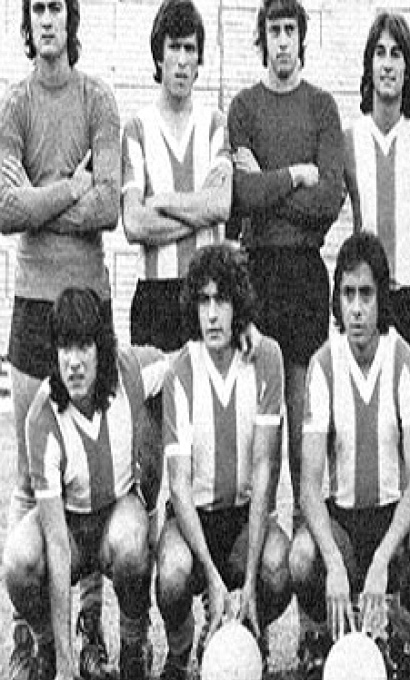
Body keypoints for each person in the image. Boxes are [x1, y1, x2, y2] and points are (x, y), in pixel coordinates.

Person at [0, 0, 121, 680]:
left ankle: (90, 627)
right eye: (37, 7)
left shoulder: (98, 99)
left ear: (71, 20)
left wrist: (42, 200)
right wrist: (69, 187)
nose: (48, 19)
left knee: (93, 471)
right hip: (30, 305)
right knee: (29, 473)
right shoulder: (15, 105)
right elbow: (3, 209)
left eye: (57, 7)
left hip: (88, 302)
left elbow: (108, 205)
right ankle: (31, 640)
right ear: (29, 21)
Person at [2, 287, 169, 680]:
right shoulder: (43, 417)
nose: (73, 361)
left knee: (132, 540)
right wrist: (66, 673)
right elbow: (57, 545)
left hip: (117, 513)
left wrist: (244, 334)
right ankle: (48, 654)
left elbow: (185, 364)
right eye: (64, 348)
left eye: (83, 347)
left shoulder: (129, 372)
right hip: (71, 530)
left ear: (101, 348)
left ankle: (133, 646)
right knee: (18, 560)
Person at [289, 232, 410, 680]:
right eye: (348, 294)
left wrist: (381, 561)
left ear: (381, 298)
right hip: (344, 525)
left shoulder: (405, 361)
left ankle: (404, 640)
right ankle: (321, 638)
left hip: (391, 522)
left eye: (366, 295)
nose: (356, 308)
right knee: (302, 555)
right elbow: (309, 487)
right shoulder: (323, 365)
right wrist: (335, 563)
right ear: (337, 299)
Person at [154, 245, 291, 680]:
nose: (212, 314)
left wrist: (247, 580)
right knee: (173, 573)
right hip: (193, 520)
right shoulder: (180, 371)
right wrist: (213, 579)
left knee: (277, 567)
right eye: (203, 301)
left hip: (243, 520)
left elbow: (265, 468)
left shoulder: (265, 358)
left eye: (222, 300)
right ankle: (180, 648)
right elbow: (178, 486)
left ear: (238, 306)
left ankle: (250, 630)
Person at [227, 0, 344, 507]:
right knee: (261, 431)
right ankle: (258, 542)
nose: (282, 41)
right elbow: (241, 195)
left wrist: (268, 185)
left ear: (301, 38)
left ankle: (303, 530)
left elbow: (330, 201)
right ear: (263, 38)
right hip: (257, 274)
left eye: (289, 30)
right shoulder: (243, 107)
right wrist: (296, 175)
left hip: (304, 276)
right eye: (273, 30)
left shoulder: (321, 107)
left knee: (302, 426)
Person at [121, 0, 232, 521]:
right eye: (174, 48)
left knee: (201, 439)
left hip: (204, 298)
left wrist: (162, 200)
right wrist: (195, 210)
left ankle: (192, 555)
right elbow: (134, 224)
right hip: (156, 298)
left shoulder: (214, 124)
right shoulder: (137, 129)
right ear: (158, 55)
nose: (183, 60)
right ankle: (143, 553)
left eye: (191, 49)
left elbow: (222, 206)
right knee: (149, 451)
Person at [343, 12, 410, 365]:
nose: (387, 64)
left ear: (407, 67)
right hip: (366, 301)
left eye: (396, 54)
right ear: (369, 65)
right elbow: (324, 206)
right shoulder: (349, 140)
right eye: (380, 53)